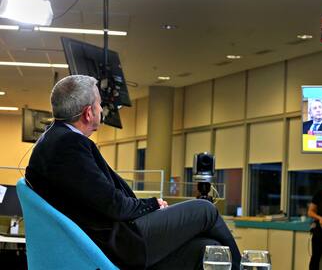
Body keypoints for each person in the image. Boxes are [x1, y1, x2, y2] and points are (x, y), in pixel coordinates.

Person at [25, 75, 240, 270]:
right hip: (117, 242)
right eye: (100, 103)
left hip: (112, 238)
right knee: (205, 210)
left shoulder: (53, 141)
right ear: (88, 112)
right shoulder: (68, 145)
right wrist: (153, 205)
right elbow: (114, 205)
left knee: (206, 249)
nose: (101, 110)